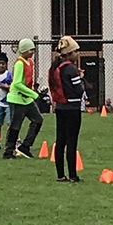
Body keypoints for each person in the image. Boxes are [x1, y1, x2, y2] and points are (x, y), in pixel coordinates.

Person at [48, 36, 87, 182]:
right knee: (72, 142)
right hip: (72, 107)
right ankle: (73, 175)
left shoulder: (55, 67)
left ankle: (60, 175)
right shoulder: (71, 68)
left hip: (60, 107)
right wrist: (81, 78)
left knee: (60, 141)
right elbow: (79, 90)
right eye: (75, 51)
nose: (78, 54)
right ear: (69, 53)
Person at [2, 38, 43, 160]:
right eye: (30, 50)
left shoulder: (30, 62)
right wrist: (33, 94)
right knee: (15, 126)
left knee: (38, 120)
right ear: (23, 50)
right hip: (17, 99)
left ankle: (25, 146)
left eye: (33, 50)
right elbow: (17, 84)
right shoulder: (19, 63)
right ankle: (8, 151)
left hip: (27, 99)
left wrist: (31, 93)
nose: (32, 52)